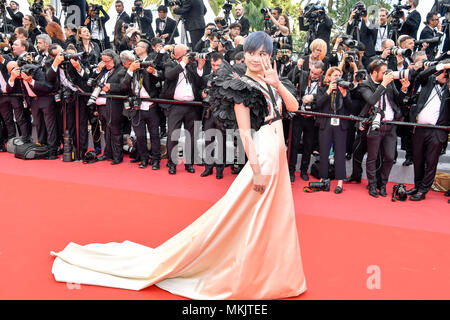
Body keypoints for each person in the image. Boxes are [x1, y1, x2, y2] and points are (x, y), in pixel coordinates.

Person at [50, 31, 307, 300]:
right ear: (245, 55)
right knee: (248, 216)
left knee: (271, 217)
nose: (257, 59)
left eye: (263, 54)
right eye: (253, 53)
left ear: (270, 56)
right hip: (263, 154)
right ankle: (249, 274)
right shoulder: (240, 86)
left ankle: (271, 272)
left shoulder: (271, 82)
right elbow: (244, 133)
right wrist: (255, 171)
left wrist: (277, 84)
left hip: (279, 152)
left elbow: (294, 106)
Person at [358, 59, 410, 198]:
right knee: (372, 157)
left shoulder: (390, 82)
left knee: (389, 157)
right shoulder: (365, 85)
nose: (387, 74)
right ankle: (372, 184)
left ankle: (383, 184)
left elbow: (397, 100)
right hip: (375, 125)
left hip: (390, 125)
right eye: (383, 72)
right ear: (374, 72)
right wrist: (383, 84)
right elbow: (371, 101)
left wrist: (403, 90)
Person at [406, 63, 450, 201]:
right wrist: (442, 66)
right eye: (444, 73)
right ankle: (417, 186)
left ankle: (423, 190)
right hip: (420, 128)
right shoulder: (430, 81)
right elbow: (421, 75)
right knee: (417, 159)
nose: (445, 76)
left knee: (431, 162)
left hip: (437, 131)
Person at [315, 67, 352, 194]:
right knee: (324, 152)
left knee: (340, 154)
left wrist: (344, 94)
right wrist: (329, 90)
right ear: (329, 77)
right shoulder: (322, 89)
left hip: (340, 125)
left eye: (339, 75)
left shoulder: (344, 90)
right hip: (325, 124)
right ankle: (323, 179)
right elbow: (318, 104)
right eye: (335, 75)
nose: (337, 77)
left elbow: (350, 107)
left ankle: (340, 182)